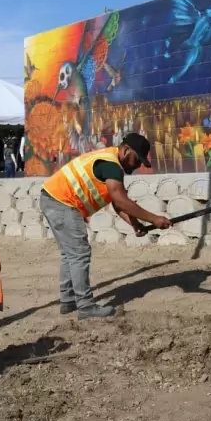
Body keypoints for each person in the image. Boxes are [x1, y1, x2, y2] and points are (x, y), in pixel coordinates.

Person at [41, 133, 172, 319]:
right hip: (62, 202)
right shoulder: (112, 165)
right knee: (79, 253)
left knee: (70, 253)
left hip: (53, 198)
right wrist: (154, 219)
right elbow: (121, 200)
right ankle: (85, 306)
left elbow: (118, 203)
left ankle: (68, 300)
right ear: (126, 150)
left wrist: (135, 224)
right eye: (137, 160)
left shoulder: (110, 162)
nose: (137, 166)